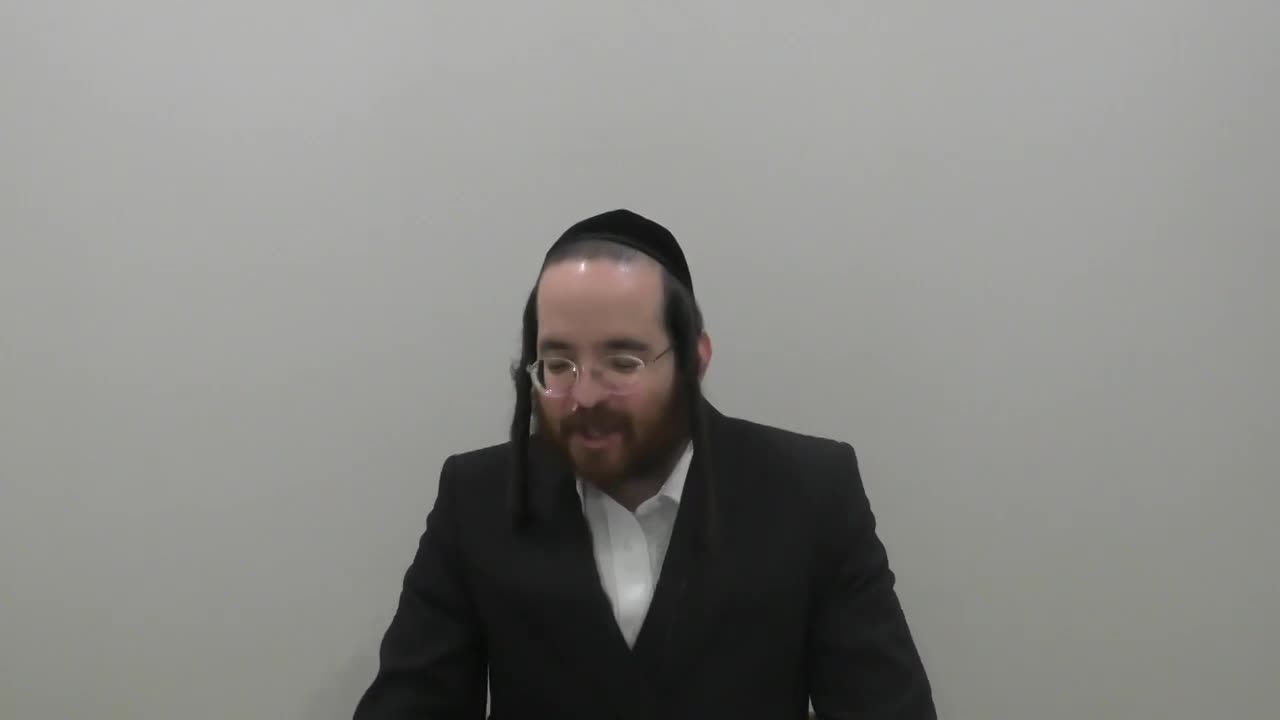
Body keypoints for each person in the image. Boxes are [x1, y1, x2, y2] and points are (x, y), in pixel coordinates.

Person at [353, 209, 936, 719]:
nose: (584, 397)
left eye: (623, 362)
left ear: (694, 360)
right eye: (557, 364)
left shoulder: (810, 494)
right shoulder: (475, 499)